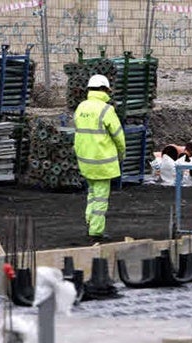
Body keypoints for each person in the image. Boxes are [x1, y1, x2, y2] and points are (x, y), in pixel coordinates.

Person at [74, 74, 126, 241]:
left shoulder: (81, 107)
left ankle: (89, 220)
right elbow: (118, 135)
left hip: (85, 160)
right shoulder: (106, 109)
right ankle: (96, 230)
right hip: (103, 163)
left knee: (92, 193)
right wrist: (121, 153)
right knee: (101, 198)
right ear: (105, 90)